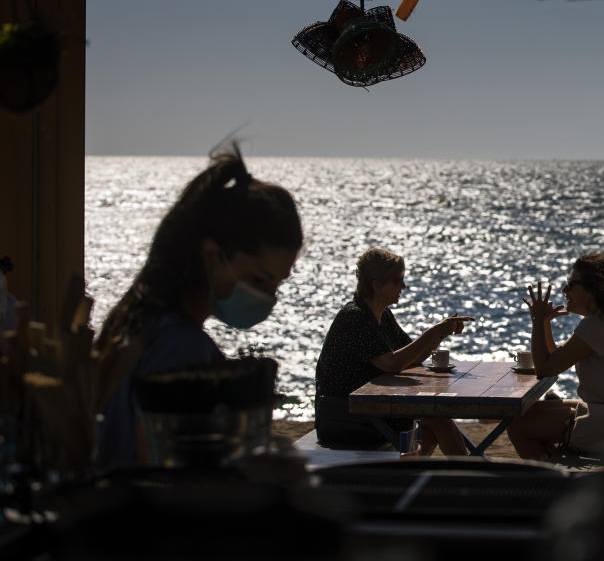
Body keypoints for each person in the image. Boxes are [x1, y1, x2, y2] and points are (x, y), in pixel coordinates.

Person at [96, 143, 303, 467]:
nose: (269, 298)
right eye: (259, 280)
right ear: (211, 256)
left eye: (277, 284)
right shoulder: (179, 350)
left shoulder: (137, 321)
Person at [315, 248, 474, 455]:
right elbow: (391, 363)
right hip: (346, 416)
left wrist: (441, 333)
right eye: (398, 280)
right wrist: (433, 331)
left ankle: (413, 477)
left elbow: (412, 358)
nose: (403, 286)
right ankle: (470, 476)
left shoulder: (382, 315)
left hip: (371, 409)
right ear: (377, 284)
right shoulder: (355, 317)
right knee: (437, 420)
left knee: (430, 428)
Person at [508, 252, 604, 460]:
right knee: (534, 411)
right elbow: (556, 356)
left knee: (519, 426)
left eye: (571, 284)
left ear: (592, 291)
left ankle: (548, 483)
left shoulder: (598, 326)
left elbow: (545, 368)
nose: (564, 290)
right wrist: (544, 323)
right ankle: (551, 468)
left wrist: (536, 320)